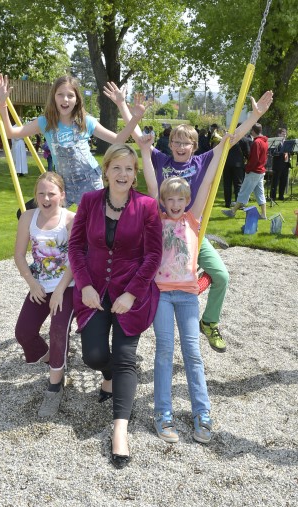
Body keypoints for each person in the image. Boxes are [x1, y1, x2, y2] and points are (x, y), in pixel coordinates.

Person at [104, 81, 273, 353]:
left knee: (221, 276)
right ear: (170, 144)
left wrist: (254, 117)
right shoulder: (161, 160)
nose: (181, 146)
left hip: (193, 233)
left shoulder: (202, 161)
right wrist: (123, 105)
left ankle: (209, 321)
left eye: (186, 143)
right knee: (140, 280)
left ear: (195, 146)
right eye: (177, 142)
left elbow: (231, 139)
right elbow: (139, 138)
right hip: (160, 236)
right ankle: (127, 337)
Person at [68, 144, 162, 469]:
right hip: (94, 291)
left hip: (131, 294)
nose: (123, 174)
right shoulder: (89, 202)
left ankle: (119, 429)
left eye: (129, 169)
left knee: (125, 356)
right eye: (117, 168)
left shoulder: (147, 206)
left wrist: (132, 294)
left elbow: (153, 256)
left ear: (135, 174)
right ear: (106, 170)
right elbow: (76, 246)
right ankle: (108, 375)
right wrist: (85, 285)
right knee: (93, 356)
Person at [138, 130, 232, 444]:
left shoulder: (193, 220)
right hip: (163, 295)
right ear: (163, 202)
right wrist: (143, 151)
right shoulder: (156, 218)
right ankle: (163, 414)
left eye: (181, 199)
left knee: (193, 353)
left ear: (187, 201)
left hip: (188, 297)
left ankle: (202, 414)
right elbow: (152, 184)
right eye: (170, 199)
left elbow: (206, 182)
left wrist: (221, 149)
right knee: (164, 352)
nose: (176, 204)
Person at [0, 74, 146, 207]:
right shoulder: (46, 122)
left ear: (77, 99)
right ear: (54, 97)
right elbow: (11, 133)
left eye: (70, 95)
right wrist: (2, 104)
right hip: (63, 184)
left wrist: (135, 118)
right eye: (60, 94)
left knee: (93, 225)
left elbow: (118, 140)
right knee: (36, 214)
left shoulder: (86, 121)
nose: (65, 99)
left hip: (89, 182)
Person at [14, 172, 75, 417]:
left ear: (62, 195)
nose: (46, 198)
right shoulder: (28, 217)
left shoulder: (70, 219)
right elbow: (19, 255)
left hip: (66, 287)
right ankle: (53, 359)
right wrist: (31, 283)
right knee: (24, 333)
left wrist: (60, 290)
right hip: (39, 285)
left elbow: (75, 259)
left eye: (51, 193)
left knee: (58, 331)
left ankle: (54, 385)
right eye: (41, 193)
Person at [222, 123, 269, 219]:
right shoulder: (264, 142)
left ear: (253, 131)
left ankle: (233, 211)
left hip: (254, 171)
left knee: (243, 192)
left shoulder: (257, 142)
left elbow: (254, 159)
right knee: (260, 193)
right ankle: (263, 214)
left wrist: (247, 169)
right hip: (260, 171)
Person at [222, 123, 251, 208]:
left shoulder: (228, 138)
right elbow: (248, 153)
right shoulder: (244, 139)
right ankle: (239, 204)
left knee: (227, 184)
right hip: (238, 165)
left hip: (226, 163)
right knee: (238, 184)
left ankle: (227, 203)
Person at [270, 127, 290, 201]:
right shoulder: (276, 142)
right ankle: (273, 196)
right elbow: (273, 153)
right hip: (278, 165)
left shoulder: (287, 142)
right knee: (275, 181)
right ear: (279, 134)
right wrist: (281, 152)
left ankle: (281, 196)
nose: (284, 135)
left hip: (285, 164)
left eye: (285, 133)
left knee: (283, 181)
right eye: (283, 133)